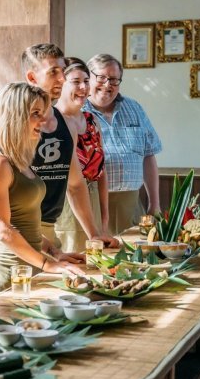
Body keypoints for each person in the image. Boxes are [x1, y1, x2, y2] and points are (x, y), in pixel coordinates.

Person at [0, 82, 85, 299]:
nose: (43, 120)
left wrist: (55, 254)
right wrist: (48, 265)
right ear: (13, 116)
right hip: (8, 272)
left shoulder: (19, 160)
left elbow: (27, 228)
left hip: (30, 267)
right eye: (35, 113)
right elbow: (2, 229)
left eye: (42, 112)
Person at [21, 44, 117, 252]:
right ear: (32, 77)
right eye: (53, 72)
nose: (62, 79)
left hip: (49, 227)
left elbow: (75, 184)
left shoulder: (64, 122)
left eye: (62, 71)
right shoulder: (15, 120)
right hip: (20, 232)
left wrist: (94, 235)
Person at [83, 53, 163, 234]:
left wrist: (154, 204)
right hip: (92, 205)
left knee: (136, 256)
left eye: (113, 79)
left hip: (132, 203)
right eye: (101, 78)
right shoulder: (76, 111)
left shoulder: (134, 107)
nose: (107, 85)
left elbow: (148, 155)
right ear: (88, 77)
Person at [53, 57, 113, 252]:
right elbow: (72, 184)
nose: (83, 87)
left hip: (93, 199)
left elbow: (102, 172)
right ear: (61, 85)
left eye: (86, 81)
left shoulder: (92, 120)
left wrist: (104, 221)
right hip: (67, 208)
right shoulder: (53, 122)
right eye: (76, 81)